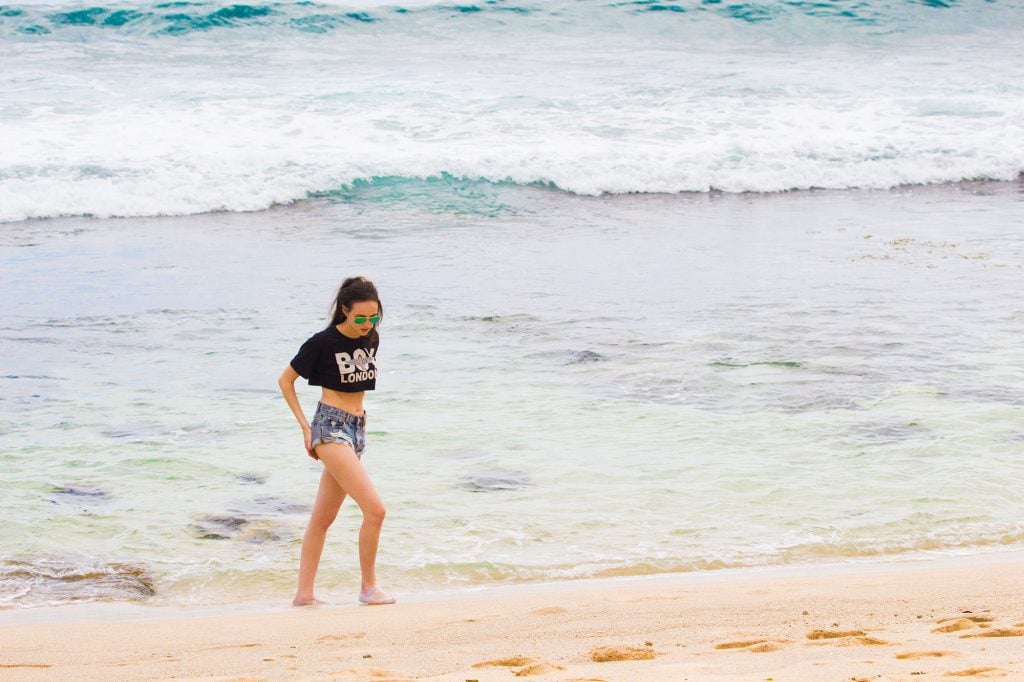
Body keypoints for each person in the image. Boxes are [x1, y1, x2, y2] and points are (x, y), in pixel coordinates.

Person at [278, 275, 395, 606]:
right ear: (344, 310)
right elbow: (285, 381)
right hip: (330, 428)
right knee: (376, 510)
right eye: (360, 318)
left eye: (374, 317)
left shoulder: (371, 338)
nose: (367, 324)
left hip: (357, 429)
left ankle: (303, 595)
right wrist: (305, 429)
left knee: (322, 518)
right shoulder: (322, 343)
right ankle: (369, 588)